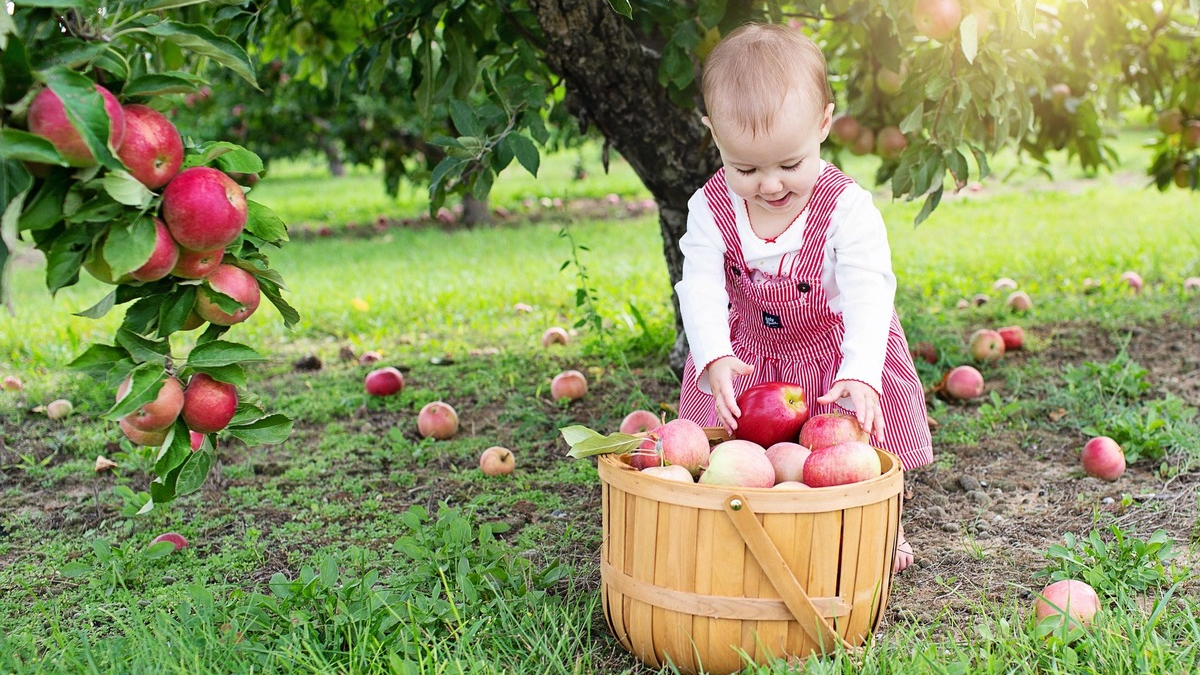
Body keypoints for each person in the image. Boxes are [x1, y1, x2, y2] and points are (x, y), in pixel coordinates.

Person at [675, 23, 933, 573]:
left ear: (823, 125)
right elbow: (699, 283)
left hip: (832, 353)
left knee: (853, 449)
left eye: (789, 165)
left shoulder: (847, 208)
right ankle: (743, 526)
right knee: (734, 450)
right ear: (713, 135)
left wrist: (863, 371)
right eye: (745, 168)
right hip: (747, 355)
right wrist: (714, 355)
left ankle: (881, 528)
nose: (769, 185)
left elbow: (870, 291)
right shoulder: (708, 207)